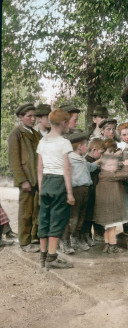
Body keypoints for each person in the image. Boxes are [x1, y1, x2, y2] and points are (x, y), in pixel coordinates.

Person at [37, 108, 75, 269]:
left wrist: (41, 188)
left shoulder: (43, 141)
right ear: (64, 123)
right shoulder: (64, 143)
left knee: (44, 218)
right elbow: (66, 169)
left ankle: (43, 256)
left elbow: (39, 167)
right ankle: (52, 258)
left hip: (45, 182)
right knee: (57, 219)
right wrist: (70, 193)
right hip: (59, 182)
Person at [59, 132, 100, 254]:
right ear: (79, 146)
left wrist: (101, 161)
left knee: (81, 216)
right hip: (75, 191)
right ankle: (65, 241)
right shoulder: (70, 159)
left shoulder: (81, 159)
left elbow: (90, 167)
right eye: (86, 145)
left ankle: (75, 239)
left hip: (85, 190)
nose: (87, 147)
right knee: (72, 217)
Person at [8, 102, 41, 252]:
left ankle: (34, 237)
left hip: (37, 178)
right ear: (21, 117)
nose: (33, 119)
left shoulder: (36, 134)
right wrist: (23, 180)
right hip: (27, 180)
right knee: (25, 211)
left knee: (36, 210)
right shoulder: (16, 134)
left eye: (34, 116)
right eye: (29, 116)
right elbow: (14, 161)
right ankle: (24, 242)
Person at [93, 155, 128, 254]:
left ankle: (107, 245)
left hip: (105, 205)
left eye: (114, 165)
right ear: (102, 167)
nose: (112, 167)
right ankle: (113, 246)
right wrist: (126, 165)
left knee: (107, 227)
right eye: (109, 165)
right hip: (110, 205)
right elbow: (124, 174)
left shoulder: (103, 174)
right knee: (112, 227)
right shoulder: (109, 175)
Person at [84, 138, 105, 243]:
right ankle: (87, 236)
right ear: (94, 149)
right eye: (101, 153)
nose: (102, 155)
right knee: (88, 215)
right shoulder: (86, 160)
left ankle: (97, 234)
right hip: (90, 191)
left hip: (97, 190)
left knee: (96, 213)